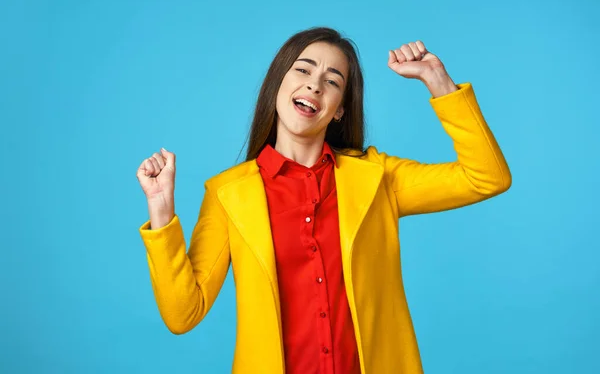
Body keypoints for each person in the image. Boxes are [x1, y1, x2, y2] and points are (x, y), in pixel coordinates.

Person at [136, 27, 511, 374]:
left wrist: (438, 81)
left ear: (340, 109)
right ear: (278, 85)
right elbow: (183, 314)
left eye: (332, 81)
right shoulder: (227, 194)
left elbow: (487, 177)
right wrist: (161, 211)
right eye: (303, 71)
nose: (314, 86)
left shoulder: (379, 178)